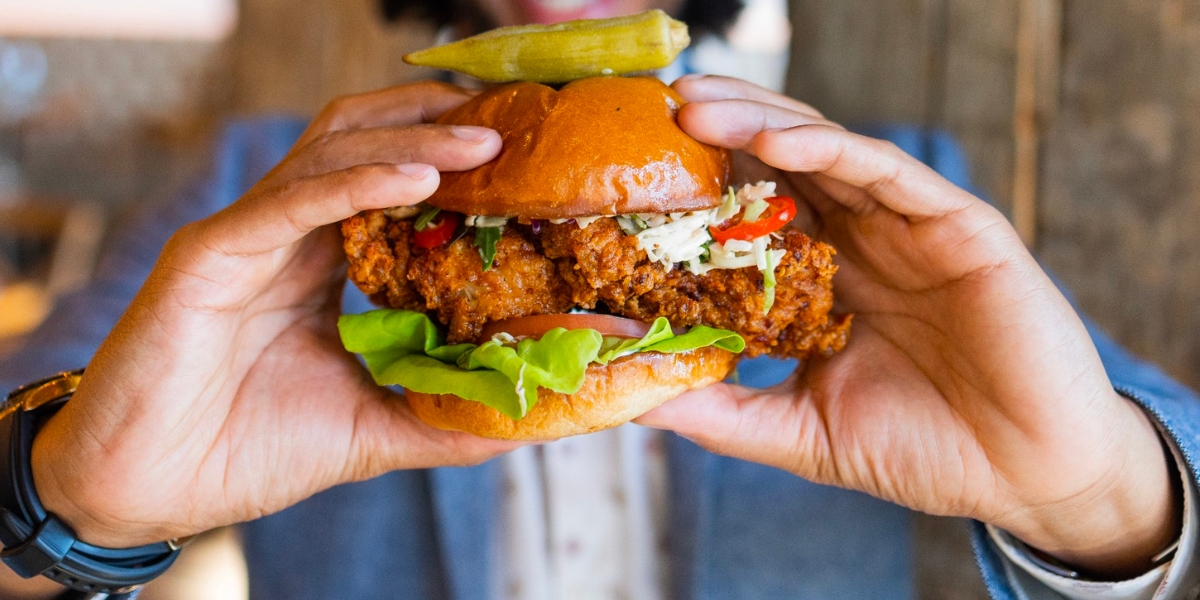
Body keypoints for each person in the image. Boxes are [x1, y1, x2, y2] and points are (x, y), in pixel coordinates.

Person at [1, 1, 1198, 599]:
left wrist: (1095, 496)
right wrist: (68, 500)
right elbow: (24, 422)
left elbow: (1163, 439)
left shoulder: (866, 195)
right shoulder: (274, 191)